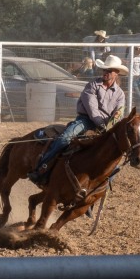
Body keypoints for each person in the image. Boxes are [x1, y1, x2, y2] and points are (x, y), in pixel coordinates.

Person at [28, 54, 127, 186]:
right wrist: (103, 125)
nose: (106, 73)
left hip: (106, 126)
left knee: (114, 154)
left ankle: (102, 185)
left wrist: (111, 125)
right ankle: (42, 168)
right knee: (65, 137)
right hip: (86, 120)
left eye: (109, 71)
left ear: (116, 73)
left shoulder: (120, 94)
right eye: (105, 70)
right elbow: (92, 109)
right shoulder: (92, 86)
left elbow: (118, 113)